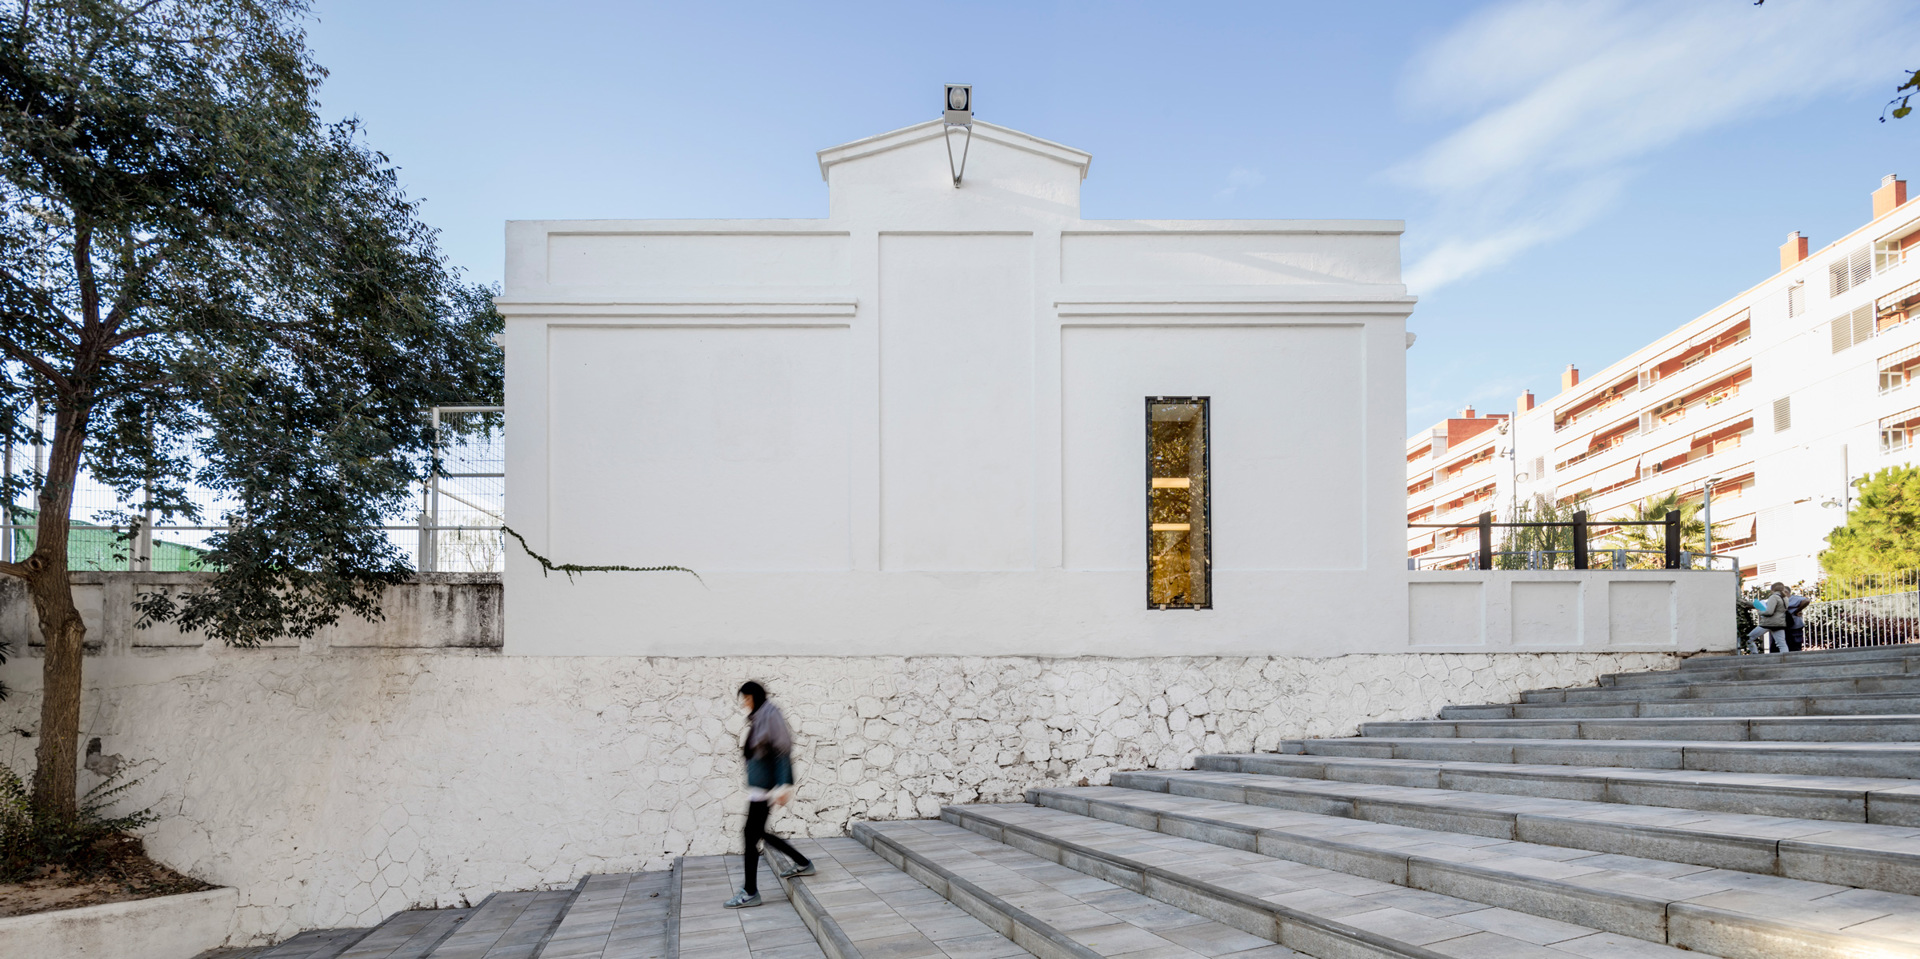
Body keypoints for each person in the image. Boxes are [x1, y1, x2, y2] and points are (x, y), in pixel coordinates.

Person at [724, 681, 813, 909]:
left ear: (755, 695)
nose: (744, 702)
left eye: (746, 697)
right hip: (758, 787)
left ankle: (750, 892)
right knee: (756, 833)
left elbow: (783, 749)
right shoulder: (760, 716)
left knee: (750, 836)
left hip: (764, 788)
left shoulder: (770, 714)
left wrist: (785, 785)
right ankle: (802, 862)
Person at [1752, 582, 1791, 654]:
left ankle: (1754, 654)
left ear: (1772, 589)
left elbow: (1769, 612)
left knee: (1749, 638)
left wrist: (1760, 612)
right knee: (1782, 644)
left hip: (1769, 623)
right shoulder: (1785, 598)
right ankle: (1786, 659)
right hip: (1780, 623)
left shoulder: (1773, 597)